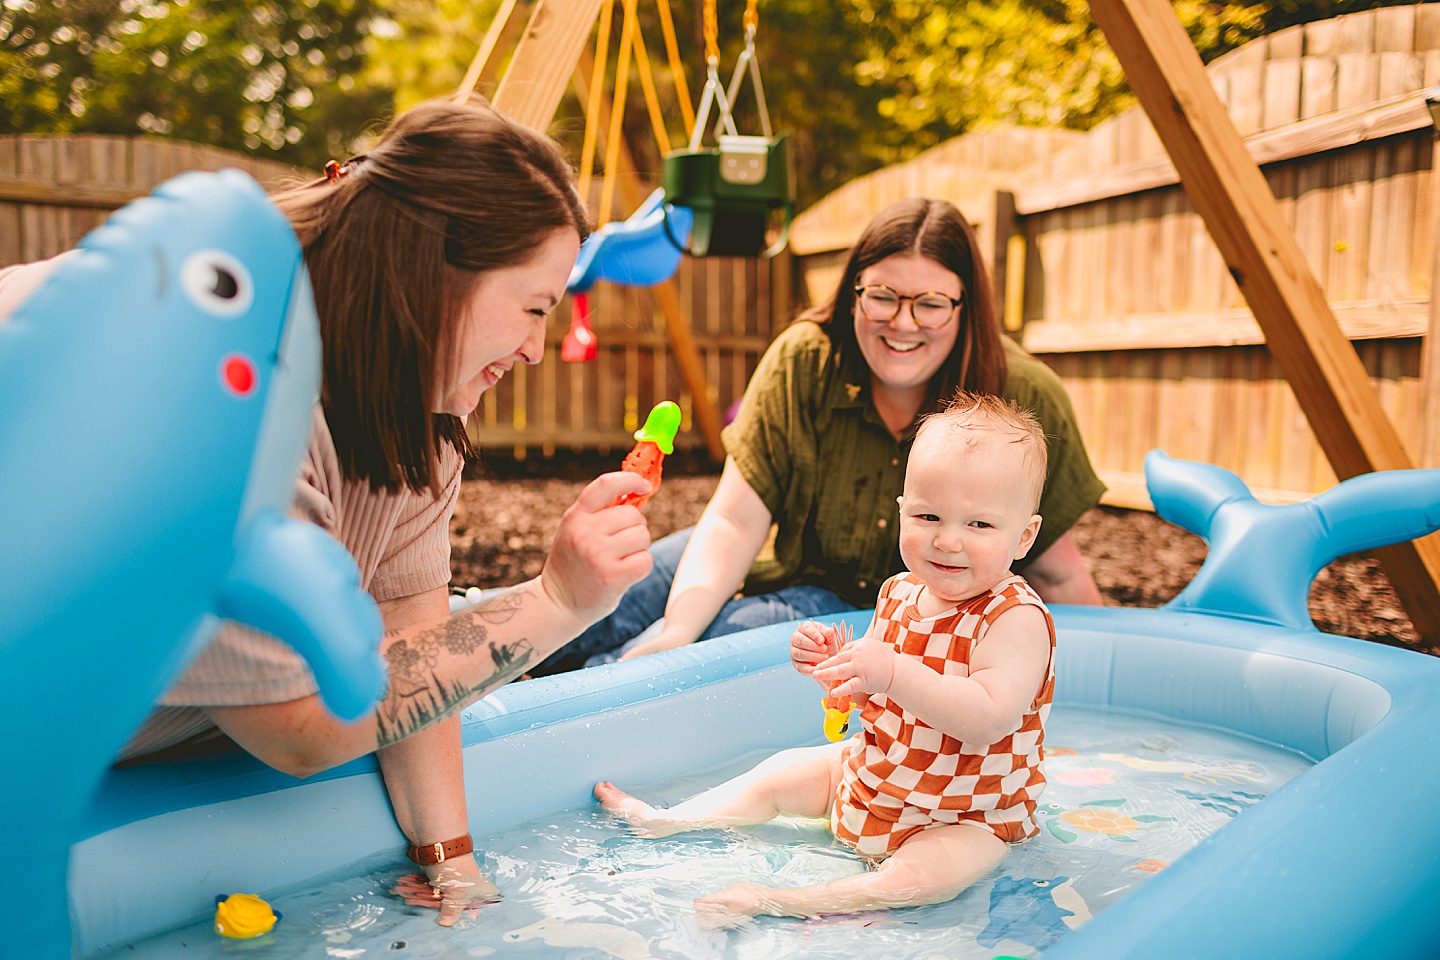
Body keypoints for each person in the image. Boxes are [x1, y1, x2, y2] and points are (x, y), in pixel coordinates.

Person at [0, 98, 654, 925]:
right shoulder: (221, 381)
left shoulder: (416, 399)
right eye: (535, 307)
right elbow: (301, 728)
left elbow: (408, 624)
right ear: (435, 273)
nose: (536, 347)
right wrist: (556, 602)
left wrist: (450, 861)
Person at [532, 196, 1104, 676]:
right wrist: (677, 625)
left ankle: (562, 718)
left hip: (852, 608)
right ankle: (477, 661)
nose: (903, 323)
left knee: (713, 644)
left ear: (965, 306)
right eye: (882, 296)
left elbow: (1056, 567)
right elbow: (734, 520)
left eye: (930, 305)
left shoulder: (1023, 395)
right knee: (614, 590)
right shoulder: (805, 359)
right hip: (773, 549)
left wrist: (1100, 685)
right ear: (854, 290)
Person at [594, 394, 1057, 927]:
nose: (947, 539)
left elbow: (989, 716)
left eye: (979, 525)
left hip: (963, 814)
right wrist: (841, 671)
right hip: (877, 777)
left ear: (1023, 536)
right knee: (784, 770)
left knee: (918, 881)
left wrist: (892, 671)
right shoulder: (901, 592)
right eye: (928, 515)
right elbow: (880, 702)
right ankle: (667, 820)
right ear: (902, 510)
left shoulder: (1014, 618)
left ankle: (779, 902)